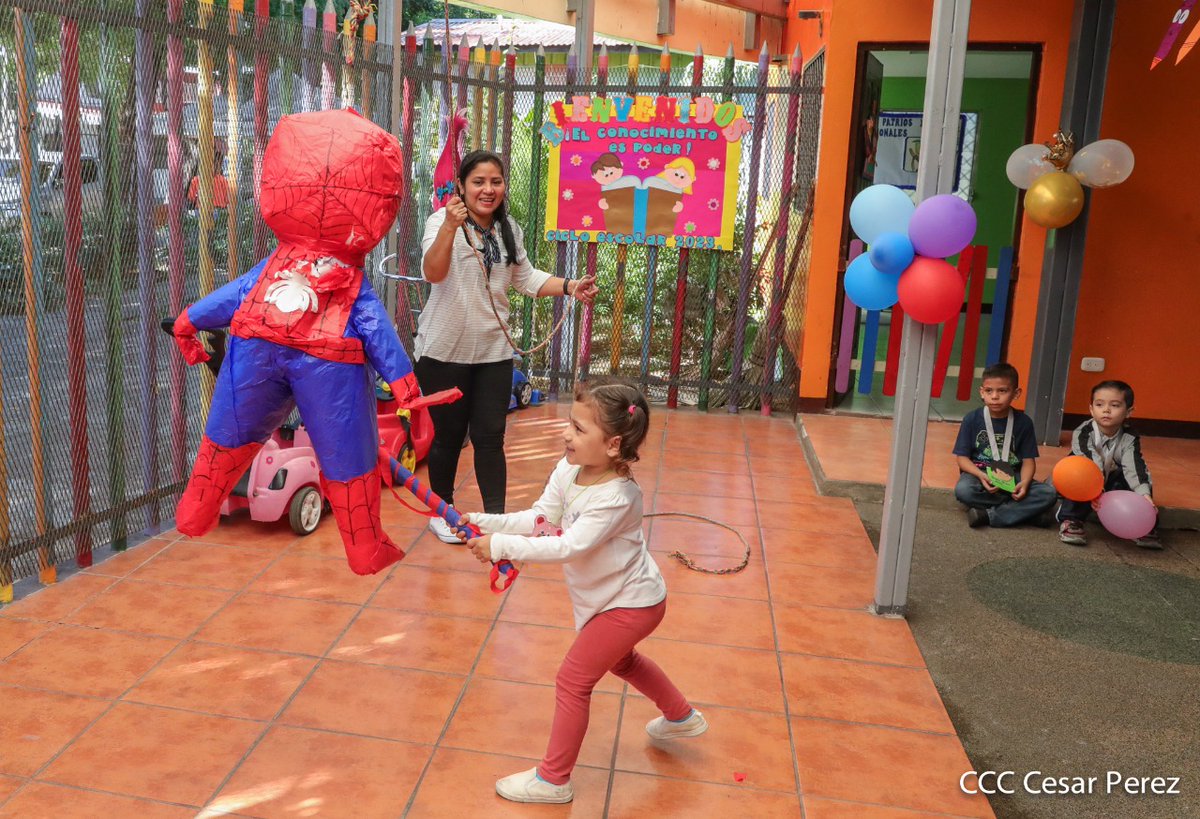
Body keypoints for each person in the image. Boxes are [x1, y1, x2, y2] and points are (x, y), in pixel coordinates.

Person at [457, 381, 705, 804]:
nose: (566, 435)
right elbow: (541, 519)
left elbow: (567, 545)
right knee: (622, 662)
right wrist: (486, 522)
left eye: (578, 429)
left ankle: (554, 780)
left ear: (612, 444)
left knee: (573, 680)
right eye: (569, 425)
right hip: (613, 599)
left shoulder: (617, 498)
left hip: (632, 604)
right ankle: (681, 716)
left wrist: (499, 546)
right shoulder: (568, 470)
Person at [417, 150, 598, 542]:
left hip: (493, 354)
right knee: (448, 438)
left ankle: (496, 522)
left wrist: (569, 287)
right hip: (442, 353)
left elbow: (526, 279)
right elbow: (433, 272)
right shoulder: (440, 221)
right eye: (478, 182)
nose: (488, 189)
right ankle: (442, 512)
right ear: (462, 187)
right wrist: (450, 226)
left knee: (489, 437)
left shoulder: (508, 229)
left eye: (495, 182)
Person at [1057, 380, 1160, 549]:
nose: (1106, 410)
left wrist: (1144, 496)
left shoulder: (1129, 437)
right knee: (1078, 473)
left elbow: (1133, 466)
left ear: (1128, 412)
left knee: (1141, 476)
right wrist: (1096, 489)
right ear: (1091, 409)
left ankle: (1145, 526)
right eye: (1099, 404)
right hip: (1087, 477)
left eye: (1115, 405)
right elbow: (1091, 461)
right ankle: (1071, 519)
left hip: (1109, 479)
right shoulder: (1083, 432)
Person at [952, 362, 1057, 528]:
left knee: (1049, 493)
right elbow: (962, 458)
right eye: (989, 391)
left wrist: (1025, 482)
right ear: (982, 392)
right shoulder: (971, 419)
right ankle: (1025, 512)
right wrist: (981, 475)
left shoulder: (1024, 422)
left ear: (1016, 393)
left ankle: (988, 515)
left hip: (1011, 476)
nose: (994, 396)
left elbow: (1029, 461)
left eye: (1002, 391)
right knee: (963, 490)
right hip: (980, 474)